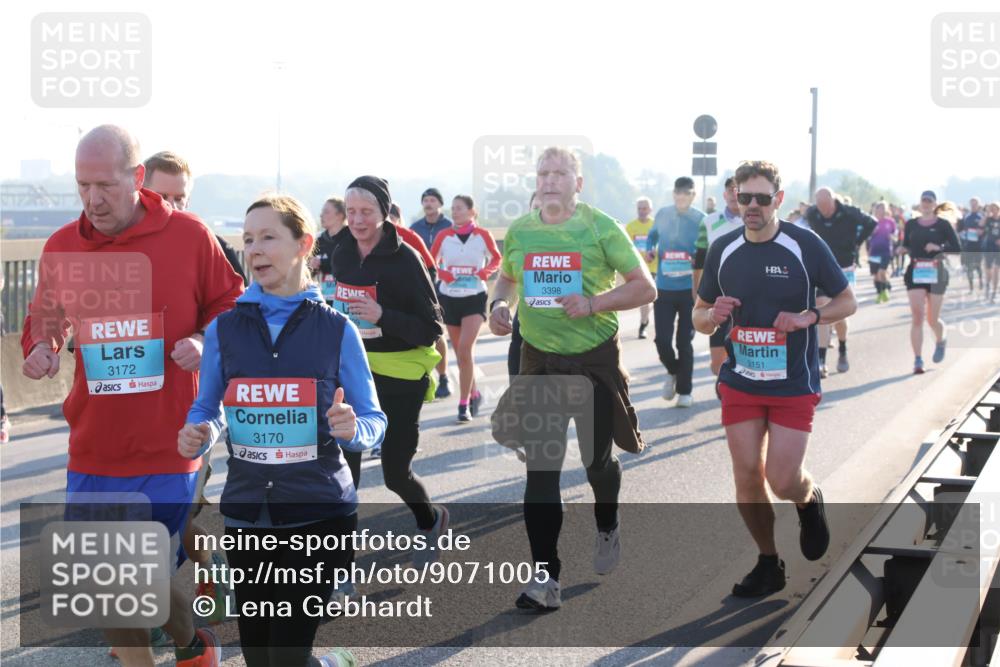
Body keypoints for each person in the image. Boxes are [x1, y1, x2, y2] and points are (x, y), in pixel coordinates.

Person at [21, 125, 244, 667]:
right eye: (81, 186)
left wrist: (200, 338)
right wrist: (41, 347)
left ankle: (181, 647)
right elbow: (43, 319)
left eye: (104, 185)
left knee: (130, 571)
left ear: (137, 178)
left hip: (169, 442)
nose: (92, 199)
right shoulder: (62, 246)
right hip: (95, 443)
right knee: (111, 578)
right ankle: (193, 646)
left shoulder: (189, 236)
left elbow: (232, 308)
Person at [180, 193, 385, 667]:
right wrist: (198, 432)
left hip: (319, 516)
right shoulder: (224, 330)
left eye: (269, 237)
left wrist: (353, 428)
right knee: (260, 659)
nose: (254, 249)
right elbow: (208, 407)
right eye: (248, 239)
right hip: (248, 518)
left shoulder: (337, 330)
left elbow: (375, 420)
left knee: (286, 658)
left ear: (303, 245)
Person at [489, 147, 656, 612]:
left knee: (597, 464)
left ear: (577, 184)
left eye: (561, 173)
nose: (550, 180)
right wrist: (498, 306)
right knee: (540, 474)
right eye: (544, 172)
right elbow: (505, 280)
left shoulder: (601, 227)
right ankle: (546, 577)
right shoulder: (520, 231)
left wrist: (592, 304)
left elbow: (646, 287)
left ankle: (607, 521)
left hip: (592, 363)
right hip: (540, 362)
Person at [693, 160, 857, 597]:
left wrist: (810, 317)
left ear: (777, 200)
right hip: (741, 380)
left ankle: (808, 499)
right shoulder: (723, 250)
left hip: (792, 383)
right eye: (743, 197)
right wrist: (711, 316)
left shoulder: (805, 245)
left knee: (781, 480)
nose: (751, 206)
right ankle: (768, 561)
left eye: (761, 199)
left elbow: (847, 301)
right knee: (747, 474)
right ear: (734, 197)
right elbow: (699, 314)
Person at [143, 149, 237, 627]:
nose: (173, 208)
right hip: (131, 416)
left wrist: (204, 340)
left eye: (181, 198)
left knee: (172, 521)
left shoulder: (205, 241)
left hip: (193, 410)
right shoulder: (114, 247)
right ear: (139, 188)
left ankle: (160, 621)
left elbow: (236, 309)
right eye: (163, 196)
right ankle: (208, 568)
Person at [333, 175, 450, 558]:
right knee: (344, 474)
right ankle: (340, 569)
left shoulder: (405, 259)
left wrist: (383, 315)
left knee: (395, 473)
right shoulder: (341, 252)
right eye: (351, 211)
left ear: (384, 213)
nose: (357, 220)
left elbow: (431, 328)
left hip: (400, 376)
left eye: (366, 211)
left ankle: (431, 520)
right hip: (353, 375)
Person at [429, 195, 502, 422]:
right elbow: (431, 262)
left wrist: (485, 272)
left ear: (472, 211)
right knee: (462, 355)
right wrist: (444, 274)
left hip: (474, 297)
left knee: (463, 349)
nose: (455, 212)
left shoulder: (482, 236)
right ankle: (474, 392)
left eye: (459, 208)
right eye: (453, 209)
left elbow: (497, 259)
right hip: (449, 297)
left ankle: (463, 406)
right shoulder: (444, 235)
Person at [143, 151, 249, 286]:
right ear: (142, 195)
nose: (171, 206)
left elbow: (239, 300)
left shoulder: (215, 247)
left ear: (188, 201)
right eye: (162, 197)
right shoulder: (120, 242)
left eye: (178, 198)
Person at [645, 176, 705, 407]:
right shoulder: (663, 214)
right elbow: (652, 236)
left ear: (693, 195)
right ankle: (673, 371)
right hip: (664, 288)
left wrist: (696, 257)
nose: (682, 198)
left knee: (684, 342)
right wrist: (650, 250)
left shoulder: (700, 219)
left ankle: (685, 391)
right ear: (674, 194)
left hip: (690, 290)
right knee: (661, 340)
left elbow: (707, 247)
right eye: (678, 193)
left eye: (687, 194)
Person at [804, 187, 876, 377]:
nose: (824, 212)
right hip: (821, 268)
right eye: (820, 207)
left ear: (833, 201)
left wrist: (856, 242)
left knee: (840, 313)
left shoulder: (849, 213)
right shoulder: (812, 213)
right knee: (820, 307)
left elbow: (872, 222)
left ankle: (842, 347)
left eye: (826, 207)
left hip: (844, 267)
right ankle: (820, 360)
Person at [897, 191, 962, 374]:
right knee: (917, 316)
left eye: (929, 201)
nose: (926, 204)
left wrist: (938, 248)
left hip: (937, 272)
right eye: (923, 201)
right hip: (916, 272)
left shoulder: (943, 225)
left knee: (932, 318)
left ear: (935, 204)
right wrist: (902, 249)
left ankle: (941, 340)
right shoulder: (910, 224)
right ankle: (918, 360)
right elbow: (907, 244)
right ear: (919, 203)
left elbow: (957, 249)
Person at [694, 177, 744, 376]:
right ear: (725, 195)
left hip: (746, 300)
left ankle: (734, 392)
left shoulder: (754, 221)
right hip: (717, 299)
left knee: (743, 361)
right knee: (717, 364)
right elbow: (698, 263)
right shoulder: (708, 222)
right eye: (730, 190)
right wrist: (696, 296)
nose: (734, 194)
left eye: (738, 190)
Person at [410, 187, 455, 398]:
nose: (428, 204)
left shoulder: (450, 227)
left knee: (438, 332)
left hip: (443, 287)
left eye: (432, 200)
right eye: (425, 200)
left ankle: (444, 375)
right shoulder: (414, 228)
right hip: (418, 286)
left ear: (440, 203)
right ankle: (426, 376)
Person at [624, 196, 656, 339]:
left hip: (653, 267)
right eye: (639, 208)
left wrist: (654, 253)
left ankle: (643, 325)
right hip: (636, 268)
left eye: (644, 208)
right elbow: (625, 248)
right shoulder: (630, 227)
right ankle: (644, 322)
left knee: (648, 300)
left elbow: (662, 245)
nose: (642, 211)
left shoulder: (655, 225)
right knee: (643, 299)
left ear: (650, 209)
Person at [310, 196, 348, 304]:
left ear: (340, 215)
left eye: (326, 212)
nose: (321, 215)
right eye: (322, 212)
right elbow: (308, 274)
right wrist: (312, 266)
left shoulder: (352, 239)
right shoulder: (318, 241)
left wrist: (325, 263)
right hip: (325, 300)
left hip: (347, 301)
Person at [869, 201, 898, 303]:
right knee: (876, 276)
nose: (881, 210)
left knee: (882, 272)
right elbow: (866, 235)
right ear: (875, 209)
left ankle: (885, 291)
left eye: (883, 208)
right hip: (874, 252)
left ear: (886, 210)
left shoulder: (890, 222)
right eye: (879, 208)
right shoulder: (871, 221)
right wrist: (872, 232)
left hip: (886, 251)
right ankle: (880, 292)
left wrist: (892, 237)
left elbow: (896, 237)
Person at [957, 197, 985, 293]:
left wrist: (981, 232)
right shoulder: (966, 216)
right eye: (972, 203)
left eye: (975, 203)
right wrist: (962, 233)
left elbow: (986, 229)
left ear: (978, 205)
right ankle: (971, 287)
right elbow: (960, 228)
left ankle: (981, 281)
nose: (973, 205)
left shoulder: (982, 216)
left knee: (978, 266)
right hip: (968, 245)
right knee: (969, 266)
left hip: (979, 245)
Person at [982, 202, 1000, 303]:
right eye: (991, 209)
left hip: (998, 248)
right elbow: (980, 224)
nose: (993, 211)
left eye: (995, 209)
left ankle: (994, 291)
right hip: (989, 245)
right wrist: (987, 213)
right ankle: (987, 285)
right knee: (988, 269)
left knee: (996, 269)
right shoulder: (988, 219)